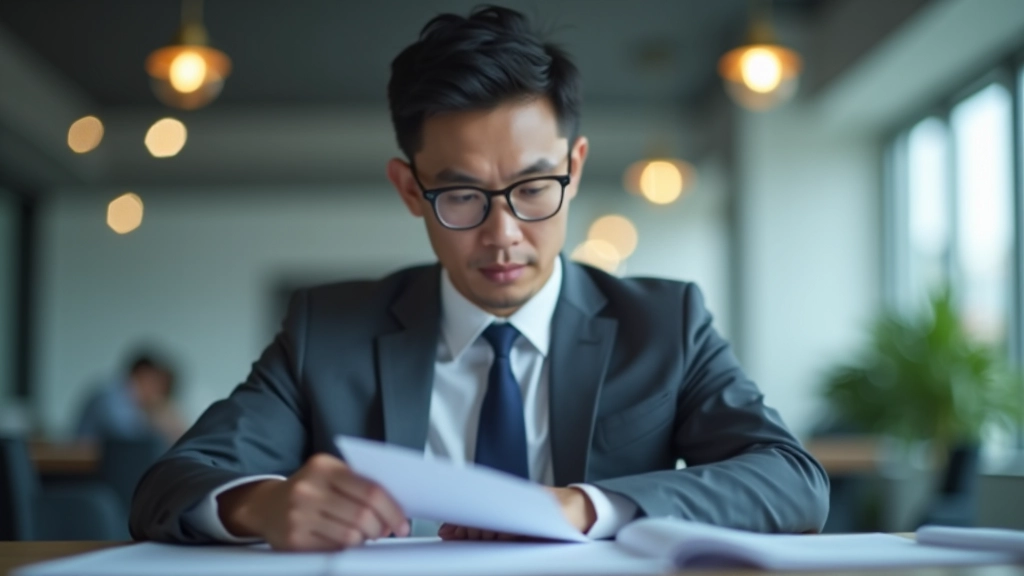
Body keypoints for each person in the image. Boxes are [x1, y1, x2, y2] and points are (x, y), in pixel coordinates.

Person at [130, 6, 829, 550]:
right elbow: (169, 484)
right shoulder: (328, 331)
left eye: (533, 188)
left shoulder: (665, 324)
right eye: (461, 196)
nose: (503, 234)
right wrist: (257, 504)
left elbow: (791, 482)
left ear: (575, 168)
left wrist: (583, 506)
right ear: (409, 189)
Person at [76, 352, 186, 445]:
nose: (156, 392)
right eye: (154, 383)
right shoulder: (109, 396)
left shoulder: (134, 405)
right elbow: (125, 432)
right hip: (86, 467)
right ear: (143, 374)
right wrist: (158, 420)